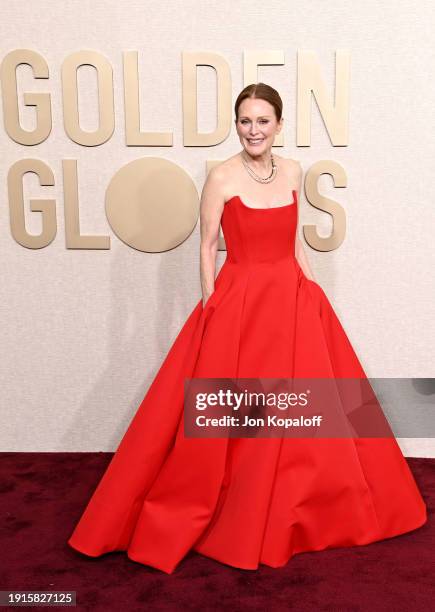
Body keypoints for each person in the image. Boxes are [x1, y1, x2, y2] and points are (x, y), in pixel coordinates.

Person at [67, 83, 427, 574]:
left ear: (279, 125)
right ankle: (236, 513)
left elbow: (295, 242)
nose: (253, 130)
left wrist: (315, 293)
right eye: (244, 120)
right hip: (241, 304)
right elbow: (207, 246)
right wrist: (211, 304)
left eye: (262, 120)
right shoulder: (221, 178)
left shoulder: (295, 171)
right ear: (236, 124)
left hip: (292, 298)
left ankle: (300, 512)